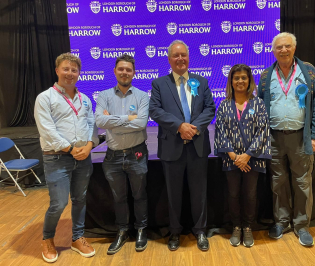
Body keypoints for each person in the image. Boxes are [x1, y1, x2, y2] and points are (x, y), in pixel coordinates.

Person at [258, 32, 315, 247]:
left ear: (294, 48)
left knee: (302, 182)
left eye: (287, 46)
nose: (283, 50)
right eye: (279, 47)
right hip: (275, 138)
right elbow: (260, 107)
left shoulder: (309, 72)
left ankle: (302, 225)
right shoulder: (266, 75)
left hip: (300, 137)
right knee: (278, 182)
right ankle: (281, 221)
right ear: (273, 51)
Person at [149, 40, 215, 251]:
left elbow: (210, 109)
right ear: (169, 59)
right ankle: (175, 232)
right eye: (176, 56)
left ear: (188, 57)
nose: (180, 59)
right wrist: (179, 126)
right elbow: (155, 111)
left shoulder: (201, 81)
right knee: (173, 193)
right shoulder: (159, 83)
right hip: (172, 148)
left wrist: (193, 127)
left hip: (197, 146)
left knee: (199, 193)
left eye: (183, 55)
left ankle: (201, 231)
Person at [34, 53, 98, 263]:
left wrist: (89, 145)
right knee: (59, 203)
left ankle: (77, 237)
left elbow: (91, 126)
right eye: (66, 69)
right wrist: (70, 149)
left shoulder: (85, 99)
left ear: (79, 73)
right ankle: (47, 239)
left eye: (74, 70)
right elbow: (47, 131)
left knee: (80, 200)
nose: (70, 73)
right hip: (57, 158)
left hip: (83, 157)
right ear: (57, 71)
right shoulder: (45, 98)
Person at [95, 54, 149, 254]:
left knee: (140, 195)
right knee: (118, 198)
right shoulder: (104, 95)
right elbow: (100, 121)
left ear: (134, 73)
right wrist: (128, 118)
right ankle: (122, 231)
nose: (125, 72)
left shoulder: (142, 96)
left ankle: (141, 229)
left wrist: (114, 122)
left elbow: (141, 123)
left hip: (137, 154)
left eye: (128, 69)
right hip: (113, 156)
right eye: (121, 69)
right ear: (115, 71)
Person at [214, 64, 271, 247]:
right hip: (231, 160)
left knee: (250, 194)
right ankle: (236, 226)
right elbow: (220, 132)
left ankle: (247, 227)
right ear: (231, 81)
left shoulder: (258, 104)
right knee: (233, 194)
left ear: (249, 81)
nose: (240, 81)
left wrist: (247, 155)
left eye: (243, 78)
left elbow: (263, 131)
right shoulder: (224, 105)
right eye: (236, 78)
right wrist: (234, 156)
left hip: (252, 160)